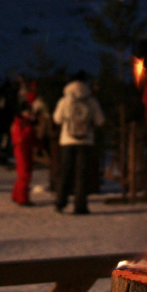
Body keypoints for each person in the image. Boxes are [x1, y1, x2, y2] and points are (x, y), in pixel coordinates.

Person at [52, 73, 105, 214]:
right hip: (86, 141)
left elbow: (57, 119)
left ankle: (60, 202)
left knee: (65, 172)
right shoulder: (91, 101)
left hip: (67, 140)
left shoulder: (64, 101)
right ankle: (80, 206)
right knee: (82, 174)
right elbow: (100, 121)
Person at [11, 103, 36, 206]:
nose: (29, 114)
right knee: (24, 174)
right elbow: (19, 139)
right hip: (22, 151)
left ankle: (16, 195)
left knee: (23, 173)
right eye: (28, 112)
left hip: (26, 150)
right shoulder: (20, 124)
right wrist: (29, 131)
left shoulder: (26, 123)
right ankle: (22, 198)